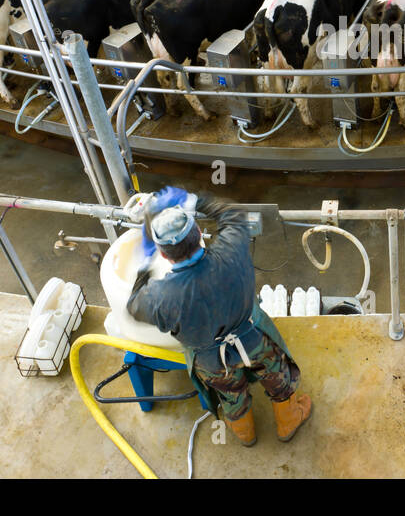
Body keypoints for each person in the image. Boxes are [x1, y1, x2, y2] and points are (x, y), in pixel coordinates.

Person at [126, 187, 313, 446]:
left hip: (211, 359)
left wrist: (144, 265)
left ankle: (246, 435)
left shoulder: (160, 297)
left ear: (164, 255)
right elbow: (233, 214)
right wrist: (193, 201)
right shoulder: (232, 250)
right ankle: (287, 422)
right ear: (199, 234)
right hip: (254, 338)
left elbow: (133, 306)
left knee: (230, 394)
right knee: (277, 376)